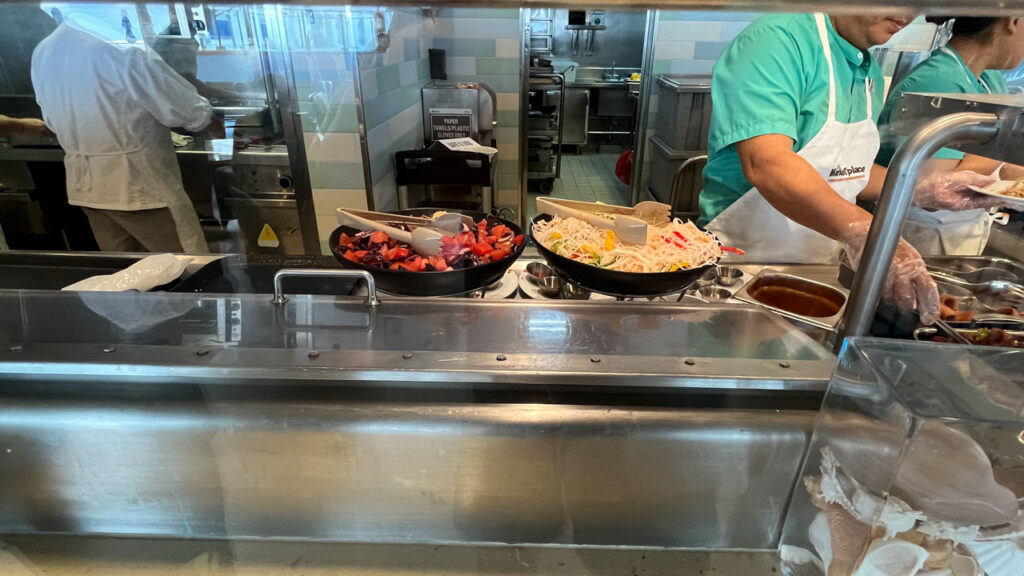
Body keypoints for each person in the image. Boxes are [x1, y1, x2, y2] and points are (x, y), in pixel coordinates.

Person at [698, 13, 1000, 324]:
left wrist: (919, 188)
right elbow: (768, 164)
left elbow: (848, 170)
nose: (909, 12)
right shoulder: (777, 40)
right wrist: (867, 230)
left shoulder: (863, 64)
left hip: (815, 271)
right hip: (740, 270)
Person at [31, 20, 213, 253]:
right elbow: (187, 112)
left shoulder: (45, 50)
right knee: (187, 271)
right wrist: (205, 109)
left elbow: (52, 121)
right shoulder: (121, 47)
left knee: (127, 277)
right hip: (139, 188)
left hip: (87, 189)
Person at [877, 16, 1024, 256]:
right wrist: (997, 152)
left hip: (963, 229)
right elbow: (936, 186)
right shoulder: (938, 80)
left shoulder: (989, 79)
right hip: (917, 232)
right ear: (1013, 20)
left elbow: (995, 162)